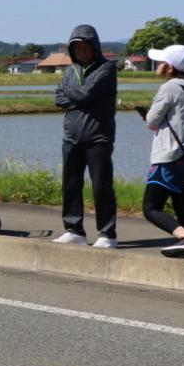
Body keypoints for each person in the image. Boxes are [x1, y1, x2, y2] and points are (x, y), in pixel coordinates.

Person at [53, 24, 118, 248]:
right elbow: (57, 97)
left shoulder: (107, 69)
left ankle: (107, 234)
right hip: (71, 136)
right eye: (76, 48)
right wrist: (78, 97)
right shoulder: (70, 71)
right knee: (70, 184)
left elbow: (87, 93)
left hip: (98, 137)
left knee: (101, 186)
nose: (81, 52)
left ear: (94, 47)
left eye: (84, 47)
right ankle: (74, 230)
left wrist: (71, 93)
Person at [139, 44, 184, 257]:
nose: (157, 66)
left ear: (169, 68)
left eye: (160, 63)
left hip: (170, 156)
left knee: (151, 207)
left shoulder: (169, 88)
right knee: (182, 203)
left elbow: (151, 122)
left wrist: (148, 114)